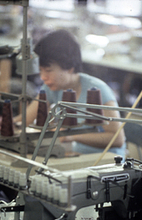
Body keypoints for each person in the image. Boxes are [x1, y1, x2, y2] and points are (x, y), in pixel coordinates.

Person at [16, 29, 126, 157]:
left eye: (48, 70)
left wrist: (71, 136)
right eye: (40, 70)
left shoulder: (98, 91)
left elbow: (117, 139)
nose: (43, 77)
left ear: (69, 67)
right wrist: (1, 126)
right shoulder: (52, 87)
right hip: (77, 156)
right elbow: (24, 120)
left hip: (106, 160)